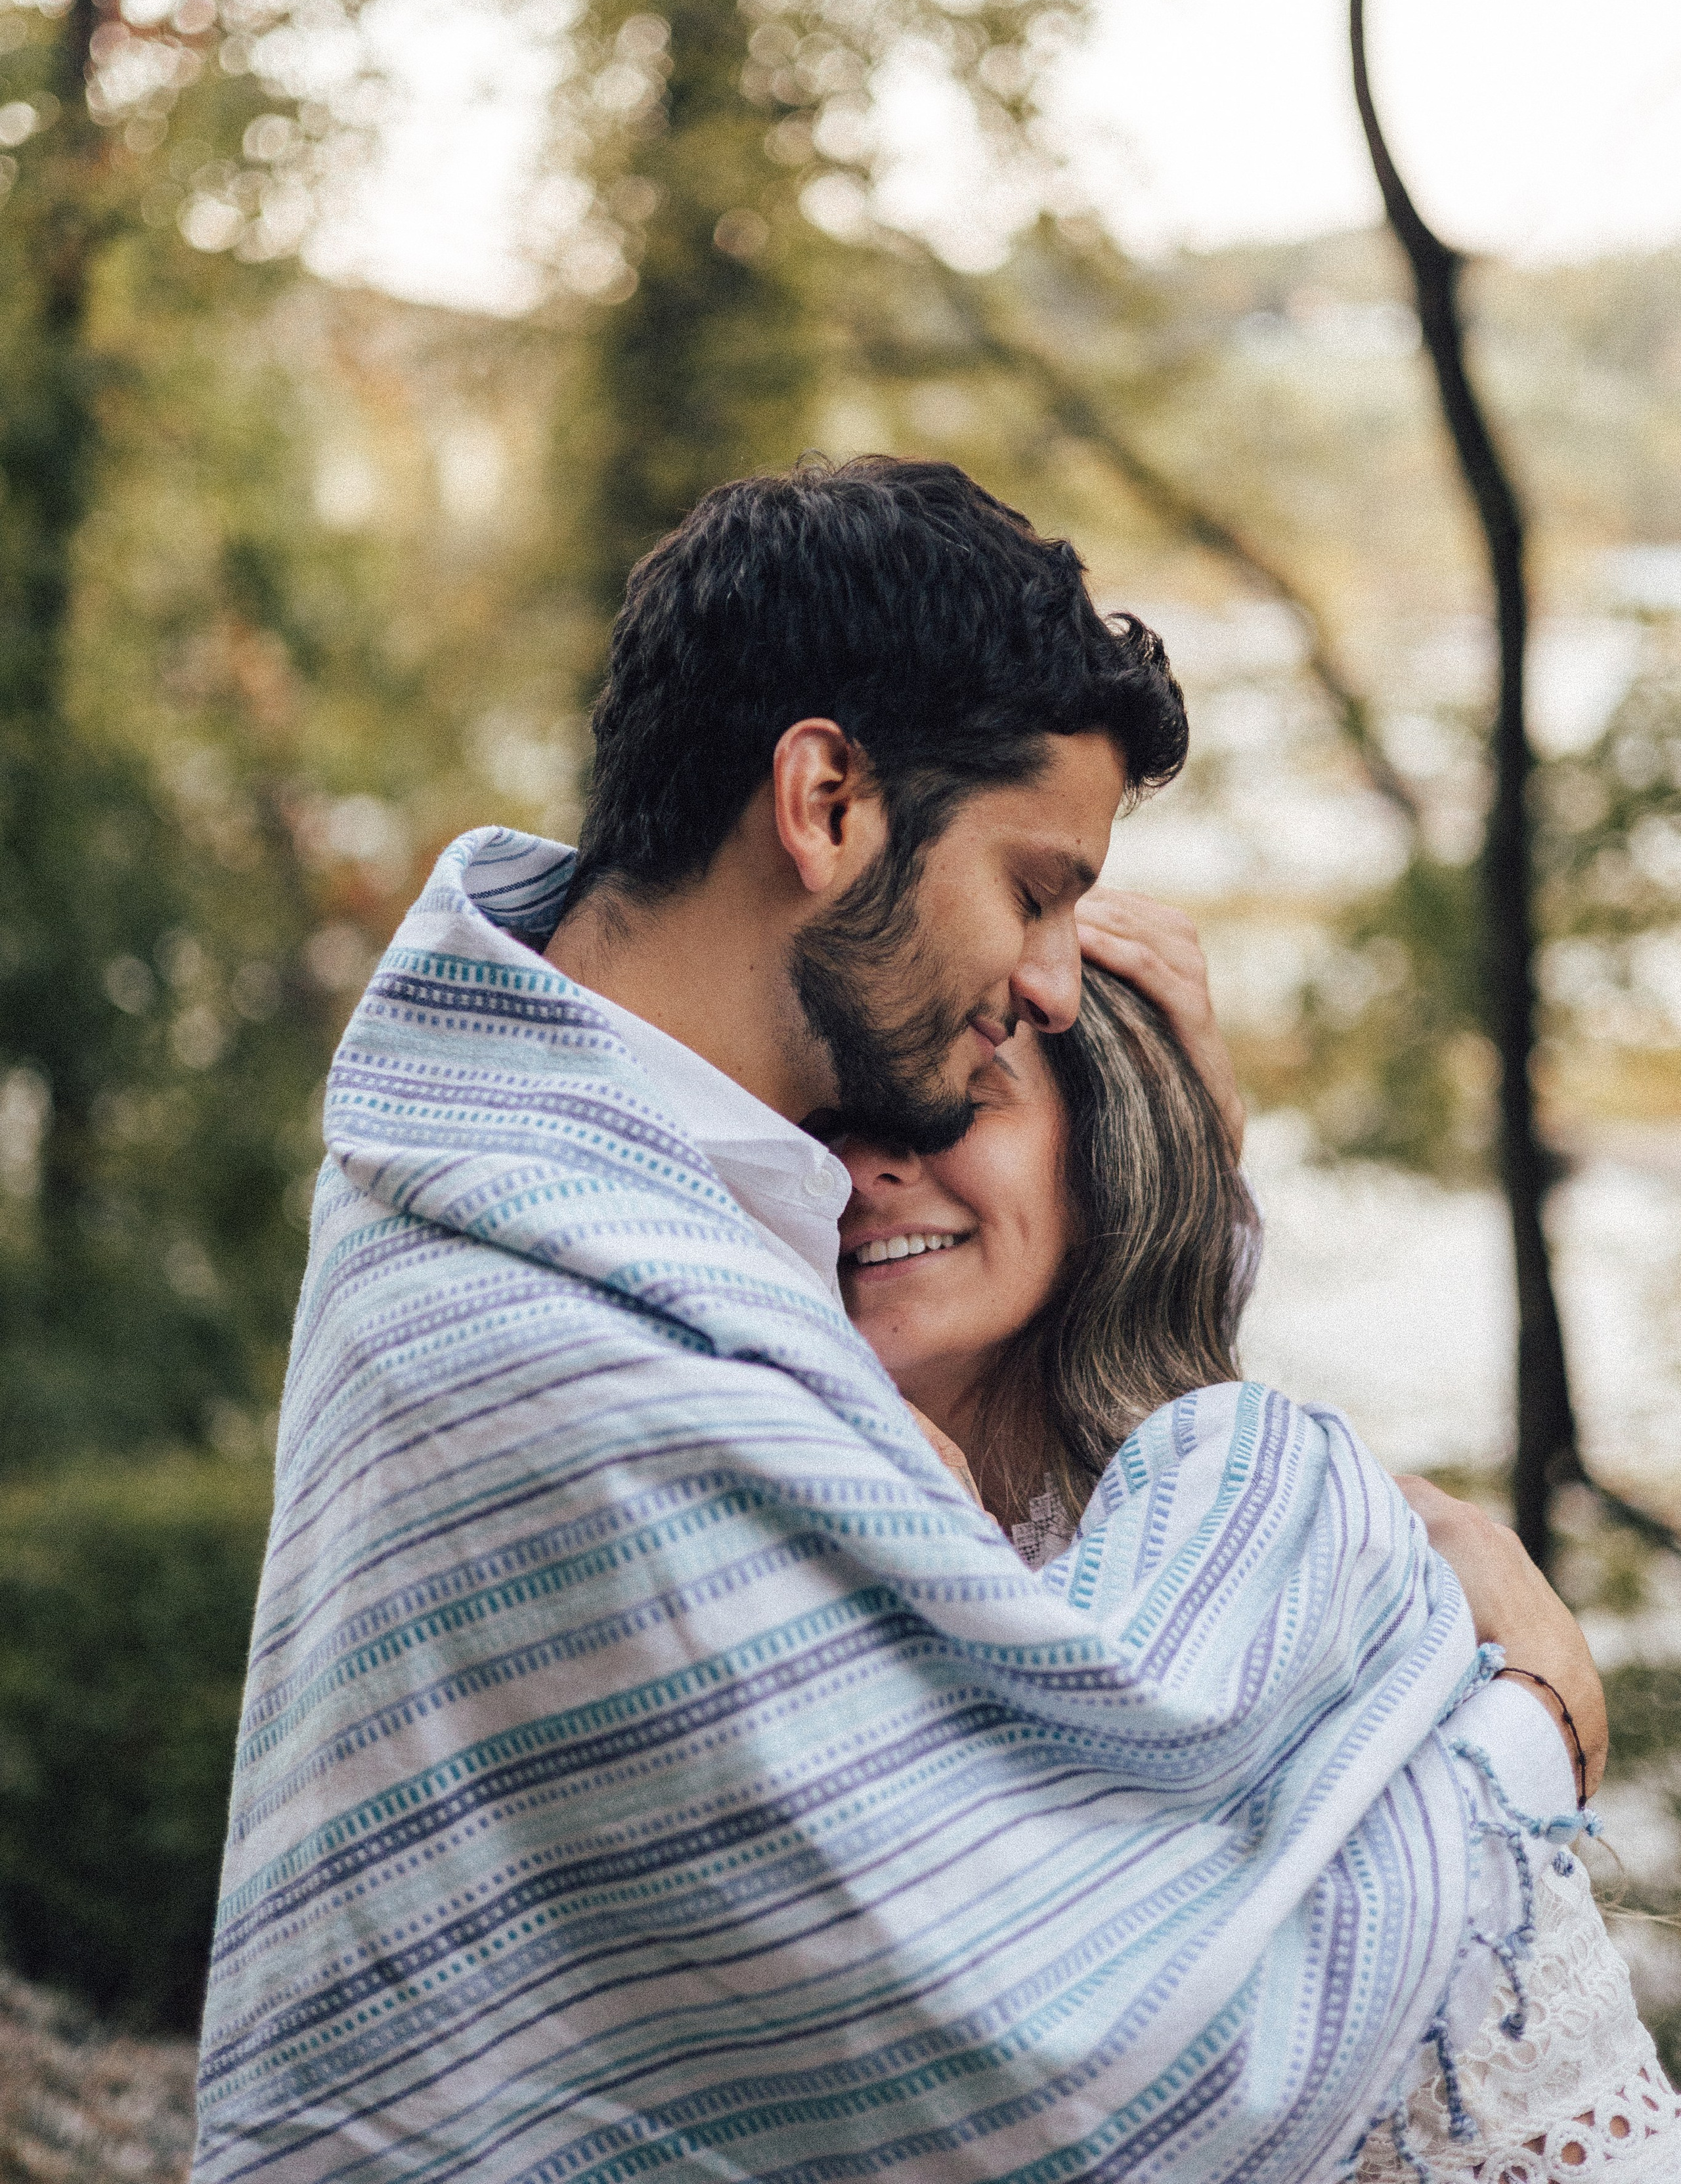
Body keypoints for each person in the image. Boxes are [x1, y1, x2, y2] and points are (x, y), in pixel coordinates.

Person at [194, 457, 1590, 2184]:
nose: (1059, 980)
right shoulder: (572, 1329)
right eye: (1037, 886)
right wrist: (1520, 1723)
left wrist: (1174, 1189)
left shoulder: (555, 1193)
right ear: (830, 800)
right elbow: (1058, 2082)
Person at [837, 956, 1680, 2175]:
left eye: (957, 1098)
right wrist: (1536, 1722)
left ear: (1110, 1149)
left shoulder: (1306, 1558)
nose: (869, 1164)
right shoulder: (732, 1553)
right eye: (823, 1118)